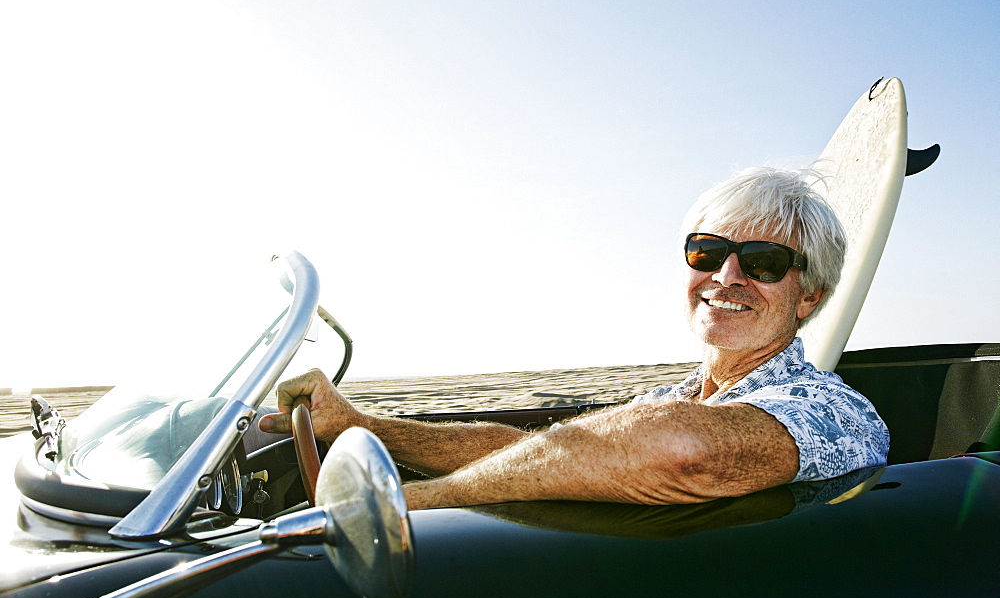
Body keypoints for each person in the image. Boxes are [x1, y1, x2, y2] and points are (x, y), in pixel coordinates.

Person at [259, 167, 889, 510]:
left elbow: (676, 446)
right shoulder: (687, 394)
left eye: (763, 261)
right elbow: (534, 448)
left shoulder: (833, 412)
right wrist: (356, 424)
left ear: (810, 296)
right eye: (709, 250)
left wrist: (415, 501)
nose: (726, 276)